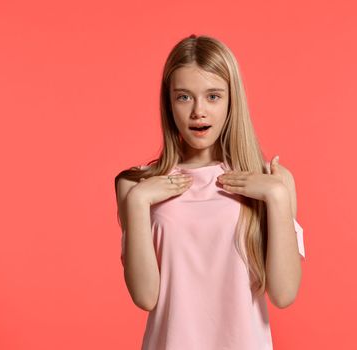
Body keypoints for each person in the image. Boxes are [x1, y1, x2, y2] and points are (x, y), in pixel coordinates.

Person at [114, 34, 306, 350]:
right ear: (168, 102)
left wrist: (278, 198)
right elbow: (145, 296)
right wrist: (137, 203)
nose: (198, 111)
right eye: (184, 97)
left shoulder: (273, 182)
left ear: (232, 100)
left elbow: (284, 294)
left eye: (213, 96)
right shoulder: (136, 187)